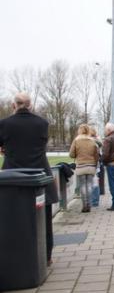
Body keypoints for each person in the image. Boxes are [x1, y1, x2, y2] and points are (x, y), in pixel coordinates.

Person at [0, 92, 59, 265]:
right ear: (30, 105)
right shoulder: (42, 123)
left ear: (13, 106)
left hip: (14, 178)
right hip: (40, 175)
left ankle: (19, 256)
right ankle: (46, 255)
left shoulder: (4, 124)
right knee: (44, 217)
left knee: (14, 218)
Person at [69, 124, 99, 213]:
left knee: (83, 185)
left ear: (80, 130)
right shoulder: (93, 141)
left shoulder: (76, 140)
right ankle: (89, 204)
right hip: (91, 166)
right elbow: (96, 155)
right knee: (89, 185)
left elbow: (71, 154)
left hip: (81, 166)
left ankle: (84, 205)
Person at [89, 126, 103, 207]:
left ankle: (93, 201)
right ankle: (95, 201)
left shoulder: (92, 141)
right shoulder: (98, 141)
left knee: (91, 184)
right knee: (95, 183)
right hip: (96, 165)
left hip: (92, 164)